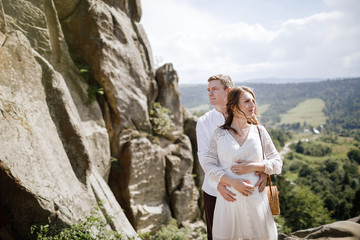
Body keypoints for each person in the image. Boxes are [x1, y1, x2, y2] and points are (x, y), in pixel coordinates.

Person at [203, 86, 283, 240]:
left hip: (257, 201)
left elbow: (277, 162)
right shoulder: (219, 134)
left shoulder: (259, 131)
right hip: (228, 203)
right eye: (247, 101)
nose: (252, 105)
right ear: (233, 106)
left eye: (253, 101)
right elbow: (208, 165)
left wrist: (257, 167)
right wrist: (231, 181)